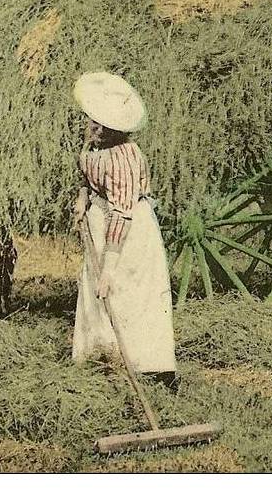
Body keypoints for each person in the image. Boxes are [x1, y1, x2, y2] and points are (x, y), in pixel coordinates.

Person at [71, 71, 177, 387]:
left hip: (128, 234)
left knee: (125, 292)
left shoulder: (125, 157)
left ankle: (147, 367)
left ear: (114, 129)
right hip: (99, 221)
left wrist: (110, 268)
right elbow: (86, 178)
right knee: (97, 292)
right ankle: (102, 359)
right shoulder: (92, 147)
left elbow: (122, 214)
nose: (93, 127)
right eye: (92, 120)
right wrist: (83, 198)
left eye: (100, 124)